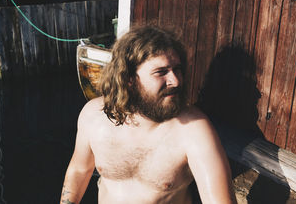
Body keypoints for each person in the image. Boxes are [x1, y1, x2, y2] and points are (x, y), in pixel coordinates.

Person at [60, 27, 237, 204]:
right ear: (129, 79)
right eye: (161, 72)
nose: (175, 81)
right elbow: (79, 171)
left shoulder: (194, 130)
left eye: (177, 69)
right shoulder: (94, 116)